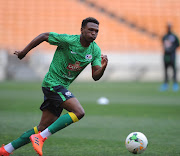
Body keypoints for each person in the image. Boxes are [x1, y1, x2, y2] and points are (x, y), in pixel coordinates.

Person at [0, 17, 108, 156]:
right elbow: (44, 36)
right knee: (79, 112)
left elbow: (95, 76)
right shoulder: (68, 41)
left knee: (42, 127)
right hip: (52, 84)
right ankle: (41, 138)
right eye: (90, 30)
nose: (94, 33)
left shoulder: (95, 50)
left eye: (96, 31)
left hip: (60, 88)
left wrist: (103, 67)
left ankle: (6, 150)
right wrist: (24, 52)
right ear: (82, 30)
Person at [160, 23, 179, 91]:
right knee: (166, 70)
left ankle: (175, 84)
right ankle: (165, 84)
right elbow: (163, 44)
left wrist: (172, 49)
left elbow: (177, 44)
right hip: (166, 55)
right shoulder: (164, 36)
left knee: (173, 69)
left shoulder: (174, 36)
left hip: (172, 55)